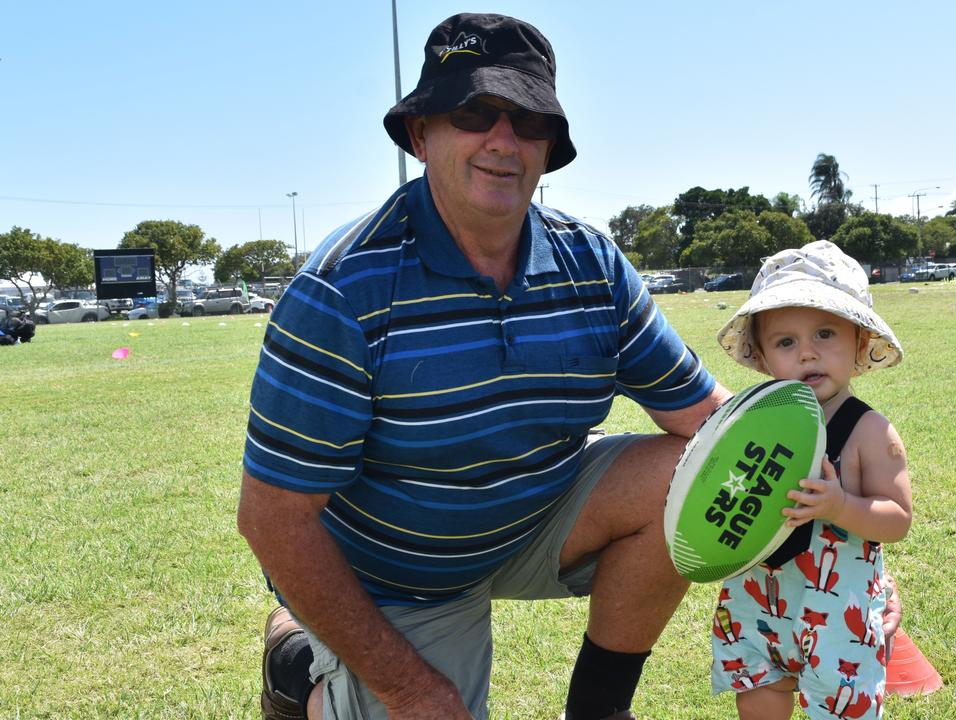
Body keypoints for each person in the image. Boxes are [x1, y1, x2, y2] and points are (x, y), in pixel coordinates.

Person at [238, 12, 899, 720]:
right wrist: (414, 690)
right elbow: (274, 521)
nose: (503, 139)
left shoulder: (590, 263)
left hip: (533, 514)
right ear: (421, 133)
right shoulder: (342, 291)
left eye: (527, 121)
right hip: (400, 572)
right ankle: (299, 663)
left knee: (688, 469)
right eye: (474, 112)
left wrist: (841, 567)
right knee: (425, 705)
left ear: (549, 147)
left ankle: (598, 710)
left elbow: (712, 423)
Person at [710, 241, 912, 719]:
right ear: (760, 358)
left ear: (861, 342)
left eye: (825, 334)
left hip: (838, 614)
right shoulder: (752, 425)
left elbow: (898, 519)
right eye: (785, 342)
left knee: (841, 706)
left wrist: (841, 506)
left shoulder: (869, 432)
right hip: (755, 603)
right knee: (759, 689)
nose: (806, 353)